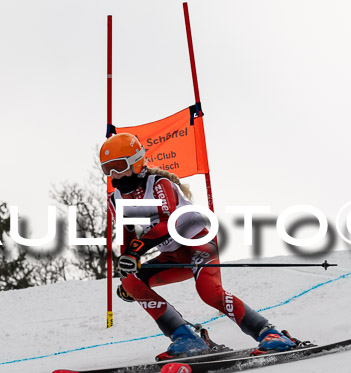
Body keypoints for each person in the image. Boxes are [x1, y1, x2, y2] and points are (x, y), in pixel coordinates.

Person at [100, 132, 296, 359]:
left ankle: (270, 333)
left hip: (198, 243)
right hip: (172, 256)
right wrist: (128, 264)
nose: (114, 174)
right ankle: (186, 337)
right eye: (107, 169)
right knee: (131, 282)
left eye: (118, 166)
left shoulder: (160, 184)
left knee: (209, 292)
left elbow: (167, 223)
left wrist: (135, 252)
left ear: (136, 162)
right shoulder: (115, 199)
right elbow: (127, 235)